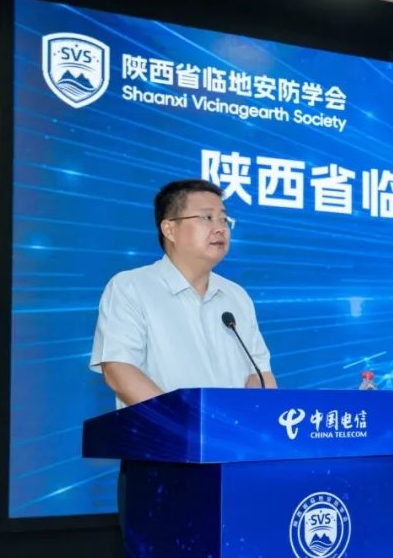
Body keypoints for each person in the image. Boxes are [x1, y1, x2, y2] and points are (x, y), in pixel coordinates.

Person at [89, 178, 277, 535]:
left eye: (224, 219)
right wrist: (188, 430)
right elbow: (118, 369)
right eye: (206, 217)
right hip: (161, 463)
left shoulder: (236, 297)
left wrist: (253, 427)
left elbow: (260, 374)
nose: (220, 228)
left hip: (235, 462)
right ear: (169, 229)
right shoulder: (131, 287)